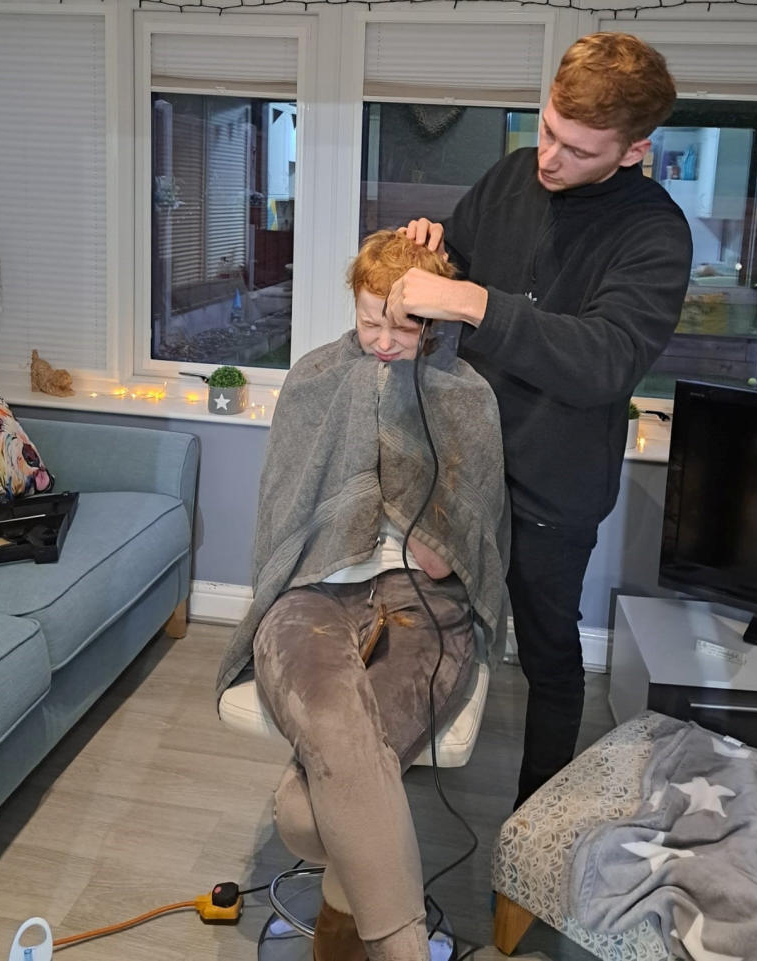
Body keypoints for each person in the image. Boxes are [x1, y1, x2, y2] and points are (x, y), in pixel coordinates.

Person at [384, 32, 693, 808]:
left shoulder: (655, 234)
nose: (549, 158)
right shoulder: (514, 175)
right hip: (462, 464)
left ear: (632, 151)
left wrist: (479, 303)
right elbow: (455, 262)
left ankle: (529, 842)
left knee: (551, 660)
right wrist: (432, 247)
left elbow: (602, 360)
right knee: (424, 622)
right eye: (548, 127)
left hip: (554, 493)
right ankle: (385, 787)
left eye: (578, 149)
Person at [216, 230, 509, 961]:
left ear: (435, 321)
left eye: (403, 325)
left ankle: (348, 924)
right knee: (340, 730)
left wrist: (435, 535)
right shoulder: (316, 377)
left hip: (424, 606)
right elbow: (284, 509)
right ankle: (402, 949)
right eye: (369, 321)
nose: (382, 340)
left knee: (310, 804)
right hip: (312, 595)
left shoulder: (467, 395)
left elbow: (468, 541)